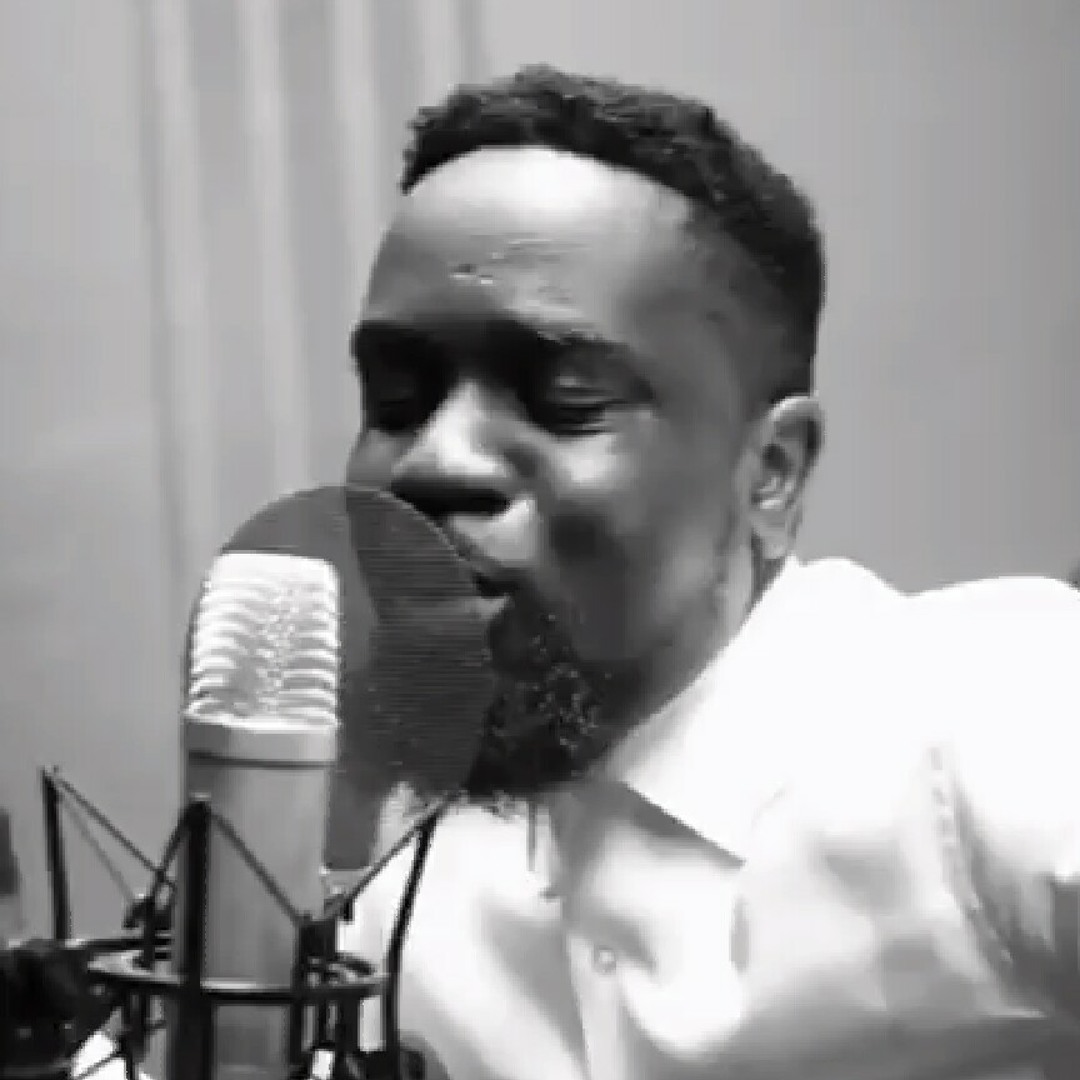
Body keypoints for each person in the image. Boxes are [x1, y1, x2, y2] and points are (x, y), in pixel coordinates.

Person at [76, 64, 1080, 1080]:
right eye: (394, 401)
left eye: (564, 399)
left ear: (771, 473)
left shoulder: (985, 716)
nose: (432, 462)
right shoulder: (383, 846)